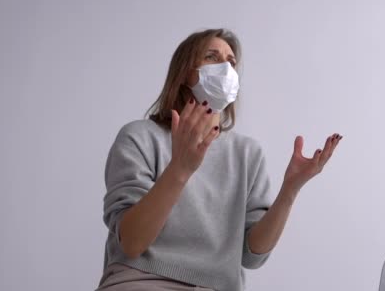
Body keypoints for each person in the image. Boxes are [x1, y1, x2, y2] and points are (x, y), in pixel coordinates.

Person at [98, 29, 342, 291]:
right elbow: (132, 242)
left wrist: (290, 191)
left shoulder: (247, 153)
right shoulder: (140, 137)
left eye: (231, 62)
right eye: (212, 57)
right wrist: (180, 169)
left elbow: (253, 255)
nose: (225, 68)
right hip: (140, 282)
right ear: (184, 73)